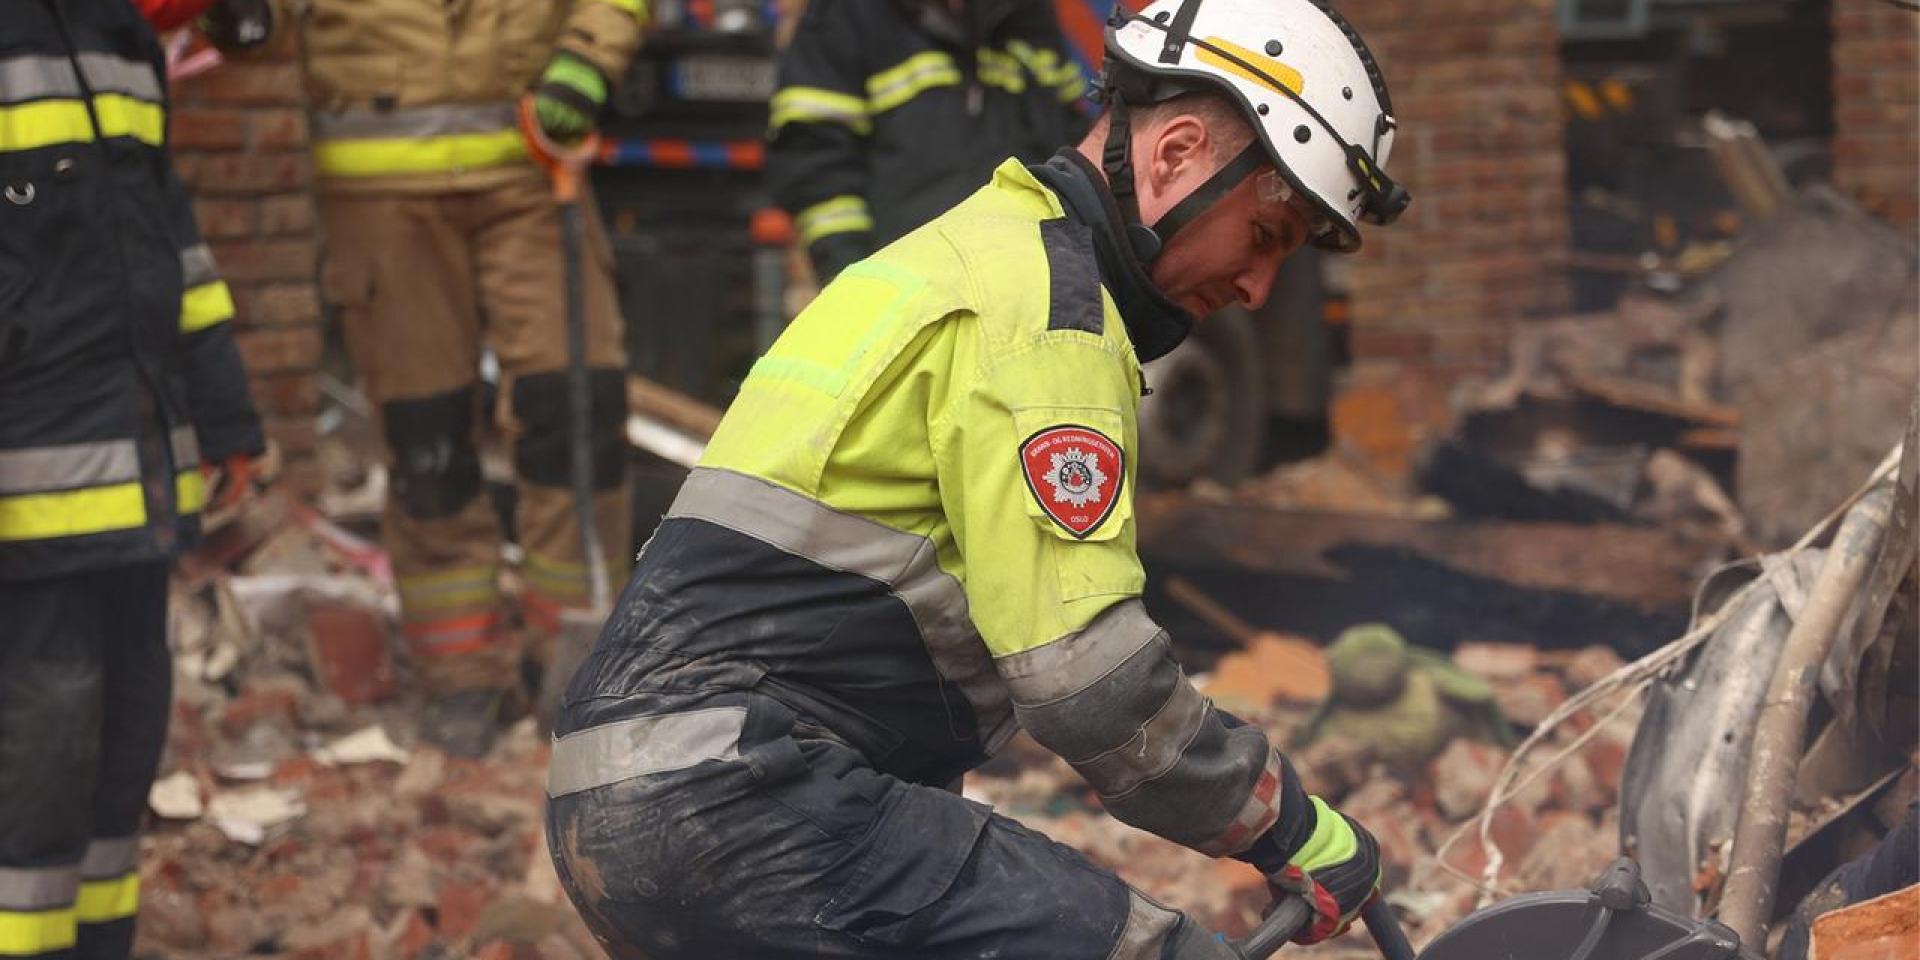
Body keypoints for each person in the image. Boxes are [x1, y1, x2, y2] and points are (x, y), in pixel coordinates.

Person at [545, 0, 1410, 956]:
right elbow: (1091, 688)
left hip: (645, 800)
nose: (1257, 289)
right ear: (1176, 154)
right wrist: (1292, 827)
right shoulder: (1044, 316)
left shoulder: (970, 251)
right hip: (746, 801)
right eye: (1267, 236)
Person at [202, 0, 649, 756]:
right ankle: (459, 676)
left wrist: (588, 56)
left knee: (575, 409)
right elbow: (254, 27)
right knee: (428, 440)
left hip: (529, 173)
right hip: (383, 196)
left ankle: (579, 663)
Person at [0, 1, 265, 956]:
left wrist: (226, 412)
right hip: (28, 482)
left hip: (137, 472)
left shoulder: (119, 37)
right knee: (42, 743)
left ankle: (97, 944)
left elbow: (170, 245)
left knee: (123, 732)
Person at [768, 0, 1091, 284]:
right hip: (899, 289)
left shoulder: (1026, 14)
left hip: (1029, 284)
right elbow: (816, 165)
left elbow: (1071, 147)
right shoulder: (846, 12)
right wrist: (851, 278)